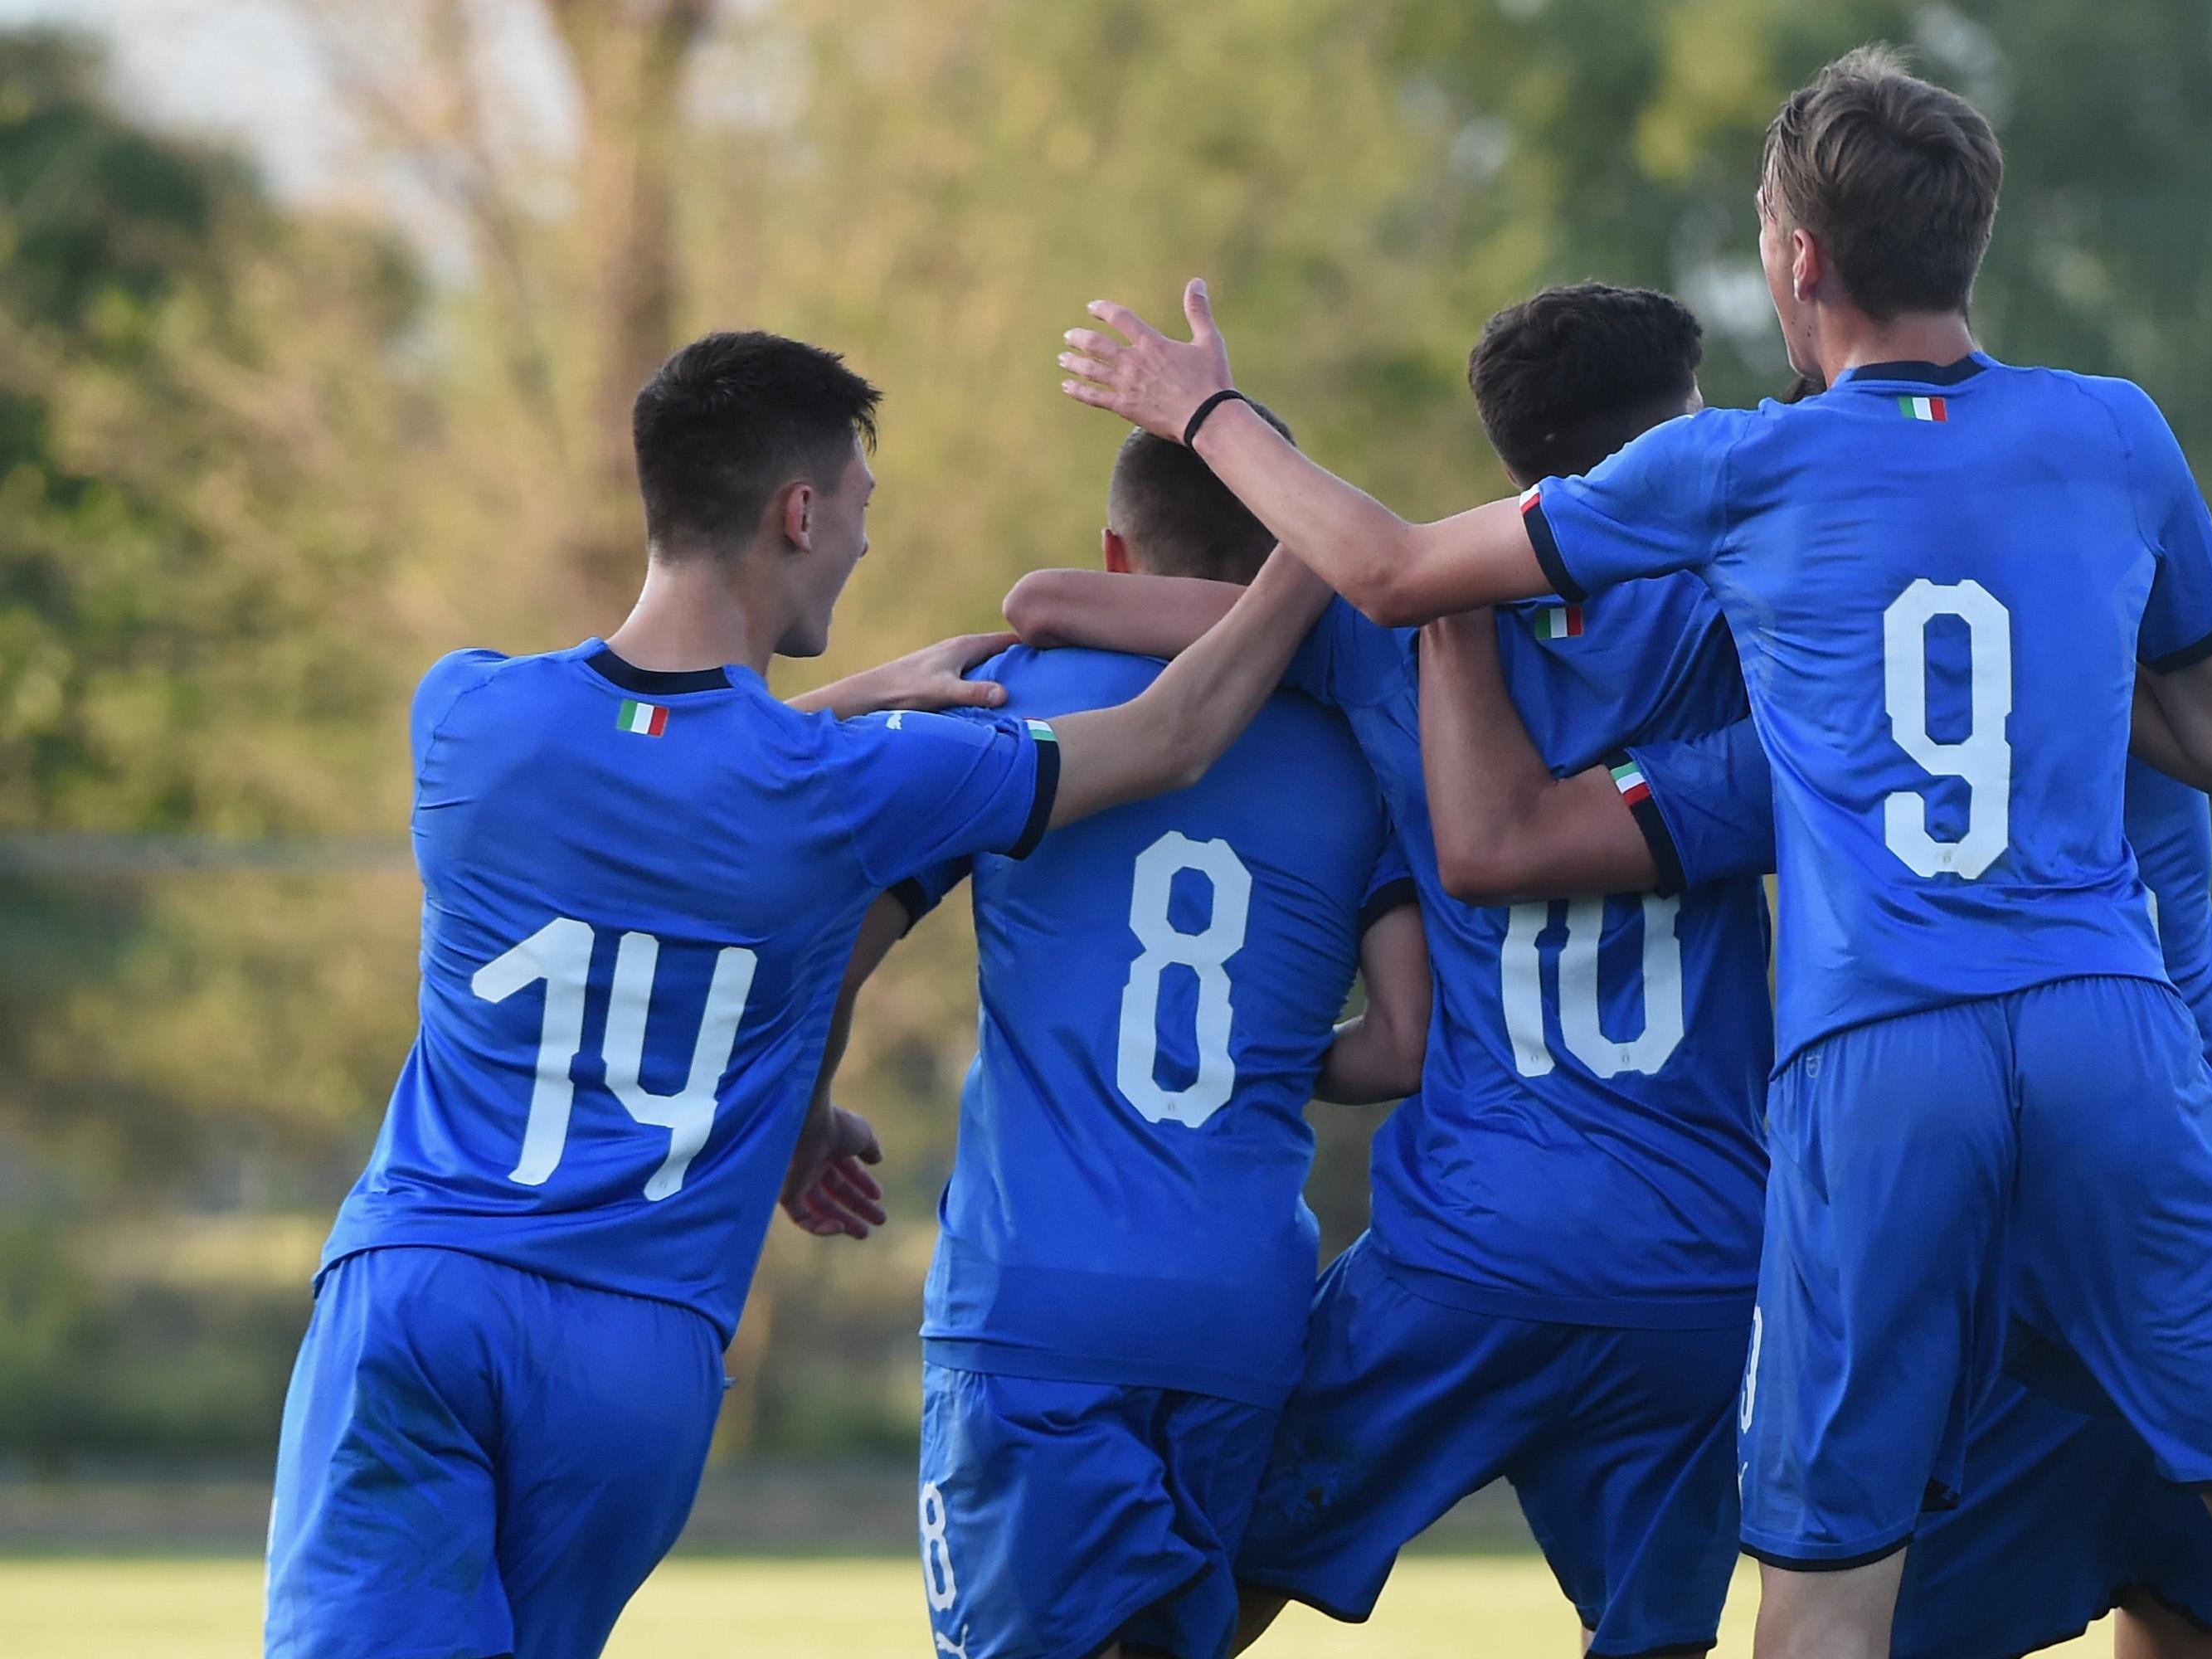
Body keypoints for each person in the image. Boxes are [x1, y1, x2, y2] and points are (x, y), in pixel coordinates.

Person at [1051, 46, 2212, 1659]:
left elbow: (1383, 574)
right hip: (2120, 1041)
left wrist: (1204, 410)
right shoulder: (2116, 434)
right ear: (1972, 237)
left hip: (1886, 1069)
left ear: (1797, 259)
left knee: (1821, 1617)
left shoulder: (1738, 467)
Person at [263, 328, 1344, 1659]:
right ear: (798, 512)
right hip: (634, 1353)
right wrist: (1327, 535)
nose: (866, 548)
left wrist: (834, 705)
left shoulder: (465, 717)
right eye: (861, 510)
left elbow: (648, 751)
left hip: (417, 1290)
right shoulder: (858, 787)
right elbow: (1177, 734)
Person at [1411, 381, 2212, 1659]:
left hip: (2006, 1222)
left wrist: (1450, 614)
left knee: (1848, 1621)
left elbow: (1503, 835)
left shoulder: (1819, 739)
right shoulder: (2118, 674)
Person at [1011, 282, 1774, 1657]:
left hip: (1468, 1257)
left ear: (1512, 463)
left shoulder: (1388, 641)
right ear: (1676, 437)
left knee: (1198, 1592)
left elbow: (1060, 601)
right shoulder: (1745, 642)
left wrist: (1345, 540)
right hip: (1702, 1271)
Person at [796, 405, 1431, 1659]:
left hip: (1038, 1302)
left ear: (1115, 554)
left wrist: (803, 1122)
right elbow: (1405, 1043)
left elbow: (838, 946)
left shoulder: (1010, 694)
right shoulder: (1366, 743)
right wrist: (1259, 1056)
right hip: (1242, 1304)